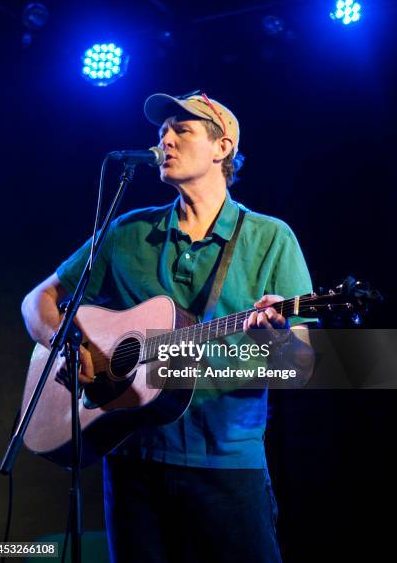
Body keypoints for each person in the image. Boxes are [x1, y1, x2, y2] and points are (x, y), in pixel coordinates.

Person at [21, 90, 315, 563]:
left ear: (223, 148)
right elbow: (39, 299)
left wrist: (277, 338)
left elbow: (300, 367)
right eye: (162, 132)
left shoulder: (270, 238)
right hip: (131, 458)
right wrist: (67, 348)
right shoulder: (127, 231)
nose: (166, 140)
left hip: (227, 467)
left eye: (183, 130)